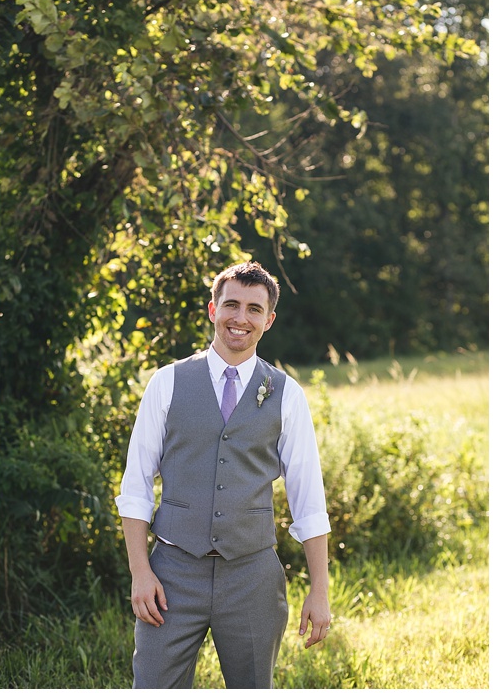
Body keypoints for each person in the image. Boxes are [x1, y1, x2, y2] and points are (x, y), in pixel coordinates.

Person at [116, 261, 331, 688]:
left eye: (254, 309)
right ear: (213, 309)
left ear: (268, 320)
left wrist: (319, 591)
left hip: (253, 577)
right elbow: (136, 486)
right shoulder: (167, 383)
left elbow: (308, 499)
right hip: (171, 574)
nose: (240, 318)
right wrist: (141, 572)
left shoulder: (287, 394)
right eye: (231, 304)